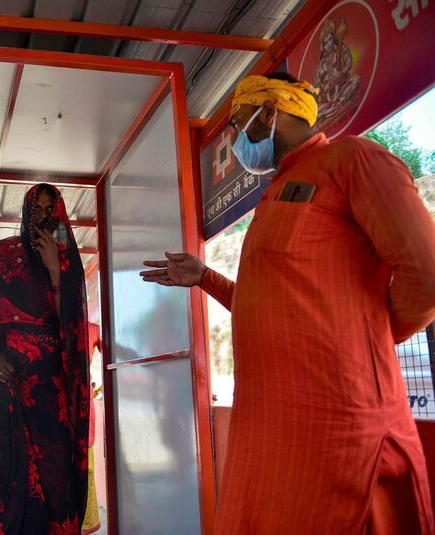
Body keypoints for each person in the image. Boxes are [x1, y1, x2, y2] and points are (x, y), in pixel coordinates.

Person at [141, 73, 435, 533]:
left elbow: (428, 274)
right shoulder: (274, 192)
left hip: (338, 428)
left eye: (239, 122)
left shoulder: (354, 160)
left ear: (271, 113)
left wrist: (364, 338)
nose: (236, 138)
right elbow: (279, 307)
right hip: (272, 435)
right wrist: (205, 278)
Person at [0, 183, 90, 534]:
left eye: (50, 210)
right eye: (37, 208)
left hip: (48, 384)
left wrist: (56, 268)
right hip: (5, 381)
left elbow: (71, 325)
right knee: (4, 471)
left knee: (53, 470)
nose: (43, 216)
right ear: (26, 212)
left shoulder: (68, 261)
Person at [82, 322, 102, 535]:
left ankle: (83, 523)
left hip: (82, 404)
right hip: (49, 401)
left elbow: (117, 354)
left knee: (85, 466)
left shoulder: (95, 329)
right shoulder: (45, 319)